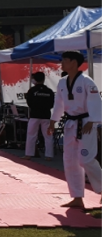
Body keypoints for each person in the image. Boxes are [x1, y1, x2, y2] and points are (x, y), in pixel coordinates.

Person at [47, 51, 102, 209]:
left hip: (86, 123)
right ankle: (77, 197)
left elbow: (95, 101)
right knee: (70, 161)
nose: (62, 63)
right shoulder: (62, 82)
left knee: (86, 159)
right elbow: (59, 104)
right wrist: (53, 122)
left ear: (74, 62)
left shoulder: (86, 81)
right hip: (71, 124)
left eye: (65, 60)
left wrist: (92, 120)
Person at [24, 72, 55, 161]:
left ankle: (28, 154)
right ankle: (49, 156)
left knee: (31, 135)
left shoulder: (32, 91)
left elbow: (29, 103)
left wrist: (36, 106)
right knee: (48, 136)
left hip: (34, 115)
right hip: (46, 116)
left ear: (35, 79)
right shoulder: (49, 91)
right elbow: (51, 104)